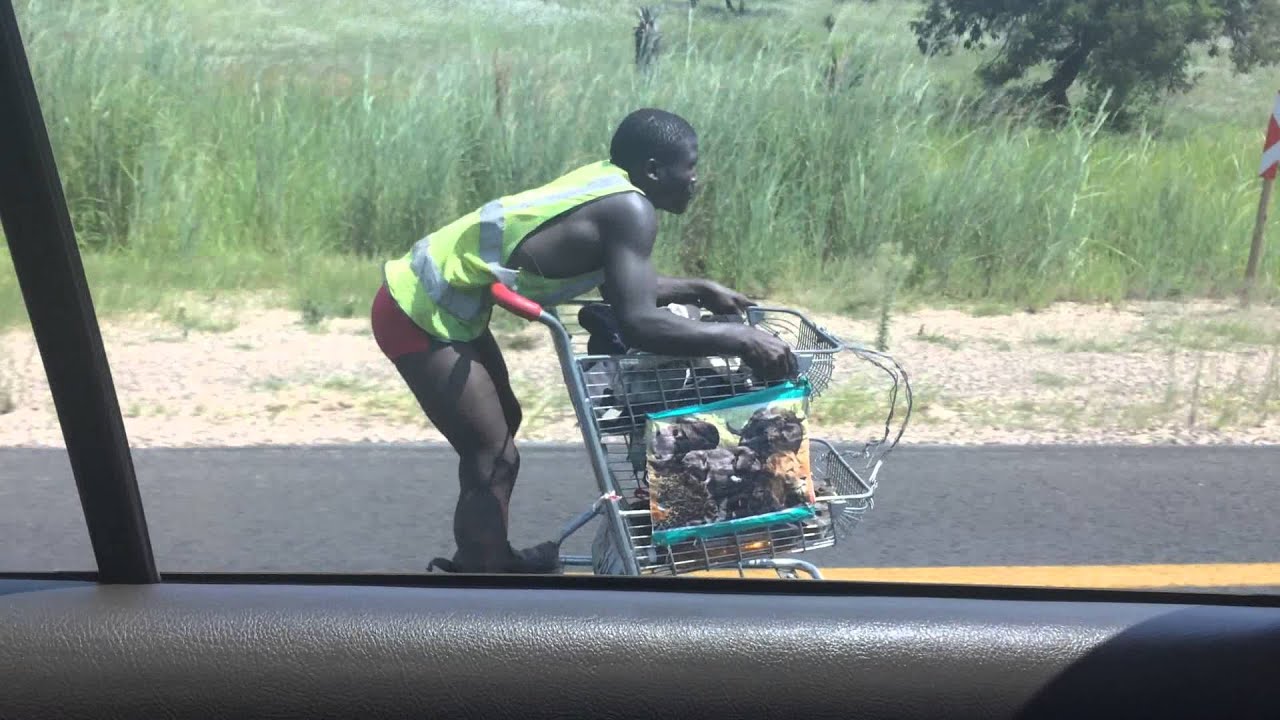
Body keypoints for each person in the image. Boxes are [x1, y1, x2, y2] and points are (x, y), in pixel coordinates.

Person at [369, 107, 797, 574]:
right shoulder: (631, 209)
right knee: (493, 452)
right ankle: (482, 573)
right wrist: (742, 340)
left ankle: (485, 558)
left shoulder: (614, 187)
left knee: (503, 424)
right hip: (416, 308)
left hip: (446, 304)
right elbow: (638, 322)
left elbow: (625, 284)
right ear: (654, 170)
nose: (696, 178)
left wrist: (700, 288)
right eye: (689, 166)